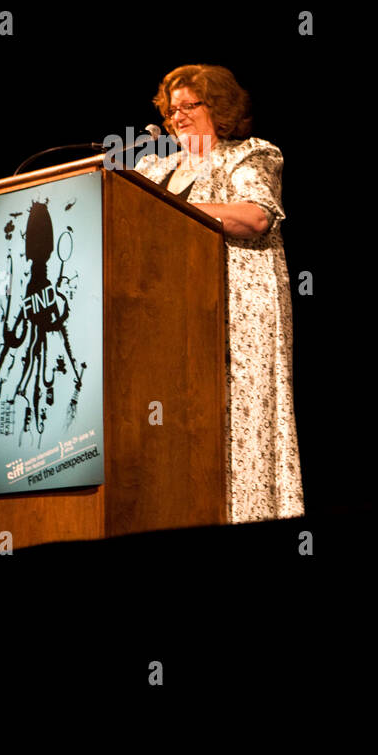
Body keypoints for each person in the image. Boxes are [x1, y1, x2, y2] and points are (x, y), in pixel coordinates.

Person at [134, 63, 305, 523]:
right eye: (173, 111)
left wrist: (172, 208)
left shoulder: (248, 154)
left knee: (239, 423)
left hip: (239, 309)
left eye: (192, 105)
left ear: (221, 108)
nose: (180, 117)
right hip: (169, 312)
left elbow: (255, 218)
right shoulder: (153, 167)